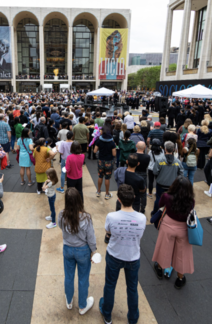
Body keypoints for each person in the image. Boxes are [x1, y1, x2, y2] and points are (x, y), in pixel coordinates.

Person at [100, 185, 146, 324]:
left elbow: (108, 232)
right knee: (132, 288)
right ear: (133, 198)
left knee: (110, 285)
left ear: (119, 200)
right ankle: (132, 318)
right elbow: (139, 236)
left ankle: (107, 314)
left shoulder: (111, 216)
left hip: (114, 255)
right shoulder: (142, 218)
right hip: (133, 257)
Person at [59, 187, 96, 315]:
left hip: (67, 249)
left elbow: (61, 227)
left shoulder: (62, 215)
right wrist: (94, 251)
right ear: (79, 201)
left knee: (68, 276)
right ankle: (82, 306)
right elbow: (91, 237)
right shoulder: (86, 218)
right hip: (83, 251)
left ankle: (69, 301)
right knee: (83, 278)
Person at [152, 177, 195, 286]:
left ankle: (160, 269)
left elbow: (160, 205)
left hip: (168, 225)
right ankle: (180, 279)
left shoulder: (166, 196)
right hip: (183, 228)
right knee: (182, 254)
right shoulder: (191, 201)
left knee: (164, 249)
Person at [94, 126, 117, 200]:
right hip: (109, 161)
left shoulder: (99, 141)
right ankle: (107, 194)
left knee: (100, 176)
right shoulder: (112, 142)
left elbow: (94, 151)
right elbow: (114, 154)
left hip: (101, 160)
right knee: (107, 178)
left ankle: (98, 191)